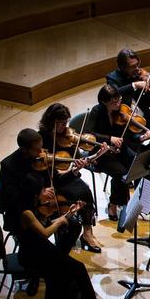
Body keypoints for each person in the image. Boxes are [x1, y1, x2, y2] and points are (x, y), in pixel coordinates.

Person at [13, 184, 113, 299]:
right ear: (34, 194)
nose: (48, 191)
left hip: (41, 250)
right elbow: (44, 233)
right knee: (77, 268)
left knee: (70, 269)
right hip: (32, 255)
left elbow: (46, 225)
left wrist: (69, 213)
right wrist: (60, 221)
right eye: (43, 190)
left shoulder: (35, 208)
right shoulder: (27, 213)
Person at [38, 103, 106, 252]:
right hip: (50, 178)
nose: (64, 126)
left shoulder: (67, 136)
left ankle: (87, 233)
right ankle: (66, 229)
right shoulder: (41, 138)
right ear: (51, 121)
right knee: (79, 192)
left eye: (65, 122)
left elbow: (76, 156)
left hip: (68, 174)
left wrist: (86, 160)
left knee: (85, 191)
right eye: (60, 123)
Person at [88, 84, 150, 220]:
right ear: (104, 102)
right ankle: (115, 204)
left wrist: (141, 137)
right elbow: (90, 134)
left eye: (119, 99)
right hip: (101, 153)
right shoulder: (97, 111)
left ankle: (144, 203)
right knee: (122, 174)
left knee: (144, 165)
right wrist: (110, 138)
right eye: (114, 102)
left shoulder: (122, 112)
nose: (118, 103)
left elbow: (129, 136)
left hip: (120, 150)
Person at [106, 48, 150, 151]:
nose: (138, 69)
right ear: (122, 67)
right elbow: (114, 94)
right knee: (132, 149)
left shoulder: (139, 76)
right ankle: (141, 156)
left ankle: (147, 155)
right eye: (133, 66)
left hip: (144, 118)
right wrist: (134, 85)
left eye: (138, 64)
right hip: (126, 123)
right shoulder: (112, 78)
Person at [0, 128, 49, 233]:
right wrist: (38, 196)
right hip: (22, 215)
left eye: (41, 147)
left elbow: (54, 179)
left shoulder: (40, 159)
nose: (41, 152)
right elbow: (14, 200)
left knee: (72, 226)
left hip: (45, 206)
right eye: (37, 150)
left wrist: (73, 171)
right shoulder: (8, 166)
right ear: (24, 149)